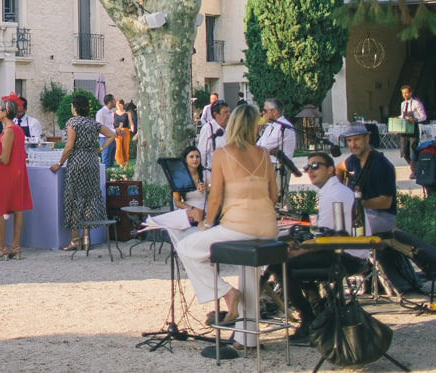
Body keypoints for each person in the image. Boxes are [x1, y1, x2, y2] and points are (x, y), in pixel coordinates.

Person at [170, 104, 278, 347]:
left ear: (233, 125)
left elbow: (215, 198)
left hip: (239, 226)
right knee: (249, 275)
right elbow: (274, 195)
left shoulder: (223, 153)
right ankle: (245, 338)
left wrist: (207, 224)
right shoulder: (263, 154)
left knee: (187, 247)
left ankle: (227, 293)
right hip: (268, 227)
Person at [264, 151, 360, 344]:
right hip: (342, 250)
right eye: (308, 167)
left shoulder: (334, 194)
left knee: (278, 263)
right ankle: (316, 308)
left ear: (331, 169)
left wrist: (298, 250)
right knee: (287, 257)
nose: (310, 171)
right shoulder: (333, 191)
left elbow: (329, 239)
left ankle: (309, 319)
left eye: (316, 166)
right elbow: (325, 235)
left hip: (346, 255)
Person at [51, 95, 111, 251]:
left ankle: (74, 239)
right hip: (92, 161)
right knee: (89, 197)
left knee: (73, 198)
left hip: (77, 161)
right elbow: (112, 135)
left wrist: (59, 163)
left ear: (74, 107)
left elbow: (69, 146)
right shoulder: (93, 123)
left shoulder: (73, 122)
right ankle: (86, 237)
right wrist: (100, 149)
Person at [0, 99, 32, 260]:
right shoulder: (18, 130)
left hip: (5, 173)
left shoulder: (8, 131)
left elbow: (4, 159)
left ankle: (1, 248)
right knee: (17, 208)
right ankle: (16, 245)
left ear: (5, 112)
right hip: (18, 172)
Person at [338, 122, 397, 234]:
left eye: (356, 139)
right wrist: (340, 188)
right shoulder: (354, 159)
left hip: (383, 217)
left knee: (346, 231)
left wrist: (356, 205)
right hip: (363, 212)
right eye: (349, 140)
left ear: (367, 138)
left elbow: (385, 202)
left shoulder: (381, 165)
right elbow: (339, 168)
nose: (353, 144)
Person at [172, 145, 209, 215]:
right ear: (185, 160)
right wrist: (193, 209)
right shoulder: (179, 177)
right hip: (188, 212)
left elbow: (216, 190)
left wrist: (207, 187)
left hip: (205, 212)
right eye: (191, 157)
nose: (195, 159)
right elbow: (177, 202)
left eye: (197, 157)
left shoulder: (206, 174)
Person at [397, 85, 427, 166]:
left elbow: (424, 116)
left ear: (410, 93)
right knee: (404, 151)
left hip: (413, 128)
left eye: (406, 93)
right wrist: (397, 118)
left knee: (413, 149)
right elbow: (403, 115)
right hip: (404, 129)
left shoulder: (416, 103)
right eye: (403, 93)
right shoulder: (402, 104)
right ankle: (413, 166)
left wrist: (415, 119)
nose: (405, 95)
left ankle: (414, 169)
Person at [198, 101, 230, 172]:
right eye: (225, 112)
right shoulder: (208, 129)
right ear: (216, 114)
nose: (228, 114)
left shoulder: (230, 128)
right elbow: (202, 153)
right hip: (212, 173)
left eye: (228, 112)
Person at [97, 94, 119, 167]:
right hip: (104, 139)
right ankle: (105, 178)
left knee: (111, 161)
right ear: (110, 102)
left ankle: (110, 177)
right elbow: (100, 127)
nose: (115, 102)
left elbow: (110, 126)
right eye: (114, 100)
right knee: (105, 162)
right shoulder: (101, 113)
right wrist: (115, 130)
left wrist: (116, 131)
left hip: (112, 139)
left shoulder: (111, 113)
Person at [115, 100, 134, 166]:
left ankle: (126, 163)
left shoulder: (127, 113)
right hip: (117, 132)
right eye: (117, 105)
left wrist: (132, 129)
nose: (118, 106)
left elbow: (131, 122)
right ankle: (120, 164)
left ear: (123, 105)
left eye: (120, 105)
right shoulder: (114, 113)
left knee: (125, 147)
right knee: (119, 148)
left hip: (125, 131)